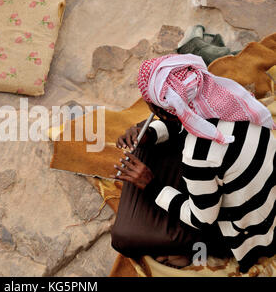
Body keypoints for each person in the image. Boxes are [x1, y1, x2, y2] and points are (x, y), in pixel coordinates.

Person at [110, 54, 276, 273]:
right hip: (260, 198)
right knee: (151, 147)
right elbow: (188, 123)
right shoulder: (225, 96)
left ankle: (194, 249)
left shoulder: (199, 152)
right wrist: (150, 132)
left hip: (246, 231)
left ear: (160, 111)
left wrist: (150, 185)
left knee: (123, 237)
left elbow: (203, 219)